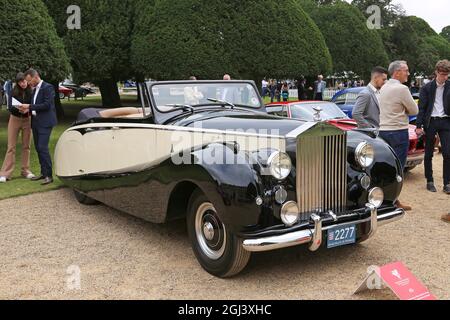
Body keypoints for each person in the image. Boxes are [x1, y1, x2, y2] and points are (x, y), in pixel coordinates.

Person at [379, 61, 419, 211]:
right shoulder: (402, 89)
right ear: (396, 72)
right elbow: (414, 110)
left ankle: (382, 199)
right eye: (406, 70)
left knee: (384, 167)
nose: (408, 73)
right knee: (398, 169)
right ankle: (393, 200)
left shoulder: (383, 87)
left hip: (383, 130)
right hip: (398, 131)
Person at [416, 59, 450, 194]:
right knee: (429, 152)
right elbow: (422, 108)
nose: (444, 77)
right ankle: (429, 180)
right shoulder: (426, 88)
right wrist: (418, 125)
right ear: (436, 72)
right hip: (431, 122)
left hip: (446, 121)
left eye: (447, 74)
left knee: (447, 153)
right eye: (442, 74)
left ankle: (447, 183)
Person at [19, 69, 57, 185]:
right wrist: (25, 108)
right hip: (35, 122)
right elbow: (35, 104)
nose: (29, 83)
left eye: (30, 81)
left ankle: (49, 176)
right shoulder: (34, 89)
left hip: (46, 122)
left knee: (42, 147)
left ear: (36, 77)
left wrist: (29, 106)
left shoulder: (48, 87)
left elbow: (46, 105)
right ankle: (43, 173)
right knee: (38, 148)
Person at [0, 73, 36, 183]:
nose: (23, 83)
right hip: (14, 119)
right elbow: (10, 107)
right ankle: (5, 173)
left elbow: (34, 105)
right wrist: (20, 109)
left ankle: (25, 170)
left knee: (26, 146)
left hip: (27, 120)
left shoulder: (32, 91)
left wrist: (27, 109)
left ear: (27, 80)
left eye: (24, 81)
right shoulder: (13, 91)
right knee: (11, 146)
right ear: (18, 83)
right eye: (20, 82)